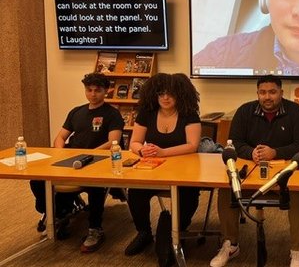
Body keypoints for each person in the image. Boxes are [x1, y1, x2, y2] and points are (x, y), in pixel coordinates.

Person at [210, 75, 299, 267]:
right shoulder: (244, 112)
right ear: (257, 94)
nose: (267, 97)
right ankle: (230, 244)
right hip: (250, 171)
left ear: (281, 93)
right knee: (226, 188)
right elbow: (234, 143)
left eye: (272, 92)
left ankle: (298, 251)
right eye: (263, 92)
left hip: (284, 173)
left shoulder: (296, 112)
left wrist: (275, 152)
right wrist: (251, 153)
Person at [30, 72, 124, 252]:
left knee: (95, 185)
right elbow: (61, 137)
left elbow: (114, 142)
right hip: (70, 161)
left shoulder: (112, 114)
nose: (93, 94)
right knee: (36, 179)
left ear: (106, 91)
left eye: (98, 90)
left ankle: (95, 228)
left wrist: (89, 156)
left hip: (97, 161)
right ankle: (55, 212)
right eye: (89, 90)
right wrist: (59, 152)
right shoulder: (76, 112)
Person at [123, 73, 202, 261]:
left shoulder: (189, 113)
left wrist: (163, 152)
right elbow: (134, 142)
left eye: (170, 94)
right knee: (136, 192)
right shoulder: (147, 113)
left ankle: (178, 231)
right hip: (154, 168)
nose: (165, 98)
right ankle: (143, 232)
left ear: (180, 94)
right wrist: (142, 150)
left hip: (185, 169)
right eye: (161, 94)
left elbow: (192, 145)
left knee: (188, 195)